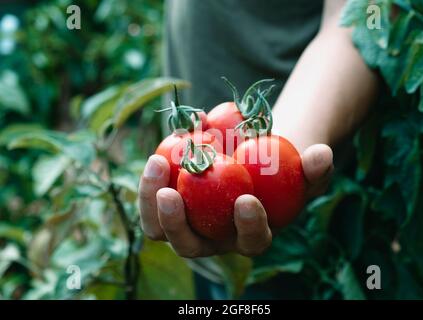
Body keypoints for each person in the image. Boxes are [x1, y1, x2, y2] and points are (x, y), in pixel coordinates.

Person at [138, 0, 379, 297]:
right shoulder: (195, 151)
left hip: (305, 244)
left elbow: (358, 21)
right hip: (196, 234)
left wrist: (283, 158)